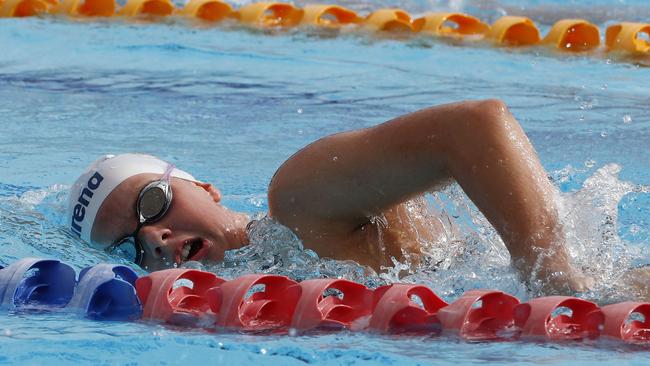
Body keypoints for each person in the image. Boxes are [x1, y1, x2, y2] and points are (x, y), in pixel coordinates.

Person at [68, 99, 592, 295]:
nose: (153, 237)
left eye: (153, 203)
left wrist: (547, 272)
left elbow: (475, 127)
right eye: (128, 247)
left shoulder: (297, 201)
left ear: (204, 187)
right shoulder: (257, 293)